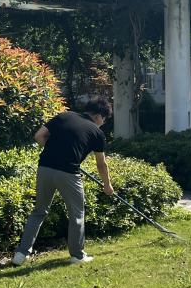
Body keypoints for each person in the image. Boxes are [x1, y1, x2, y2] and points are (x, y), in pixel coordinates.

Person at [11, 97, 114, 266]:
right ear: (98, 116)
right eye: (104, 119)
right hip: (69, 173)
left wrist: (56, 152)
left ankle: (21, 254)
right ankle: (77, 255)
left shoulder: (64, 116)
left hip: (45, 168)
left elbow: (39, 136)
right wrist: (107, 185)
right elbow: (101, 164)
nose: (103, 123)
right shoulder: (97, 133)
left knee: (39, 211)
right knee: (76, 214)